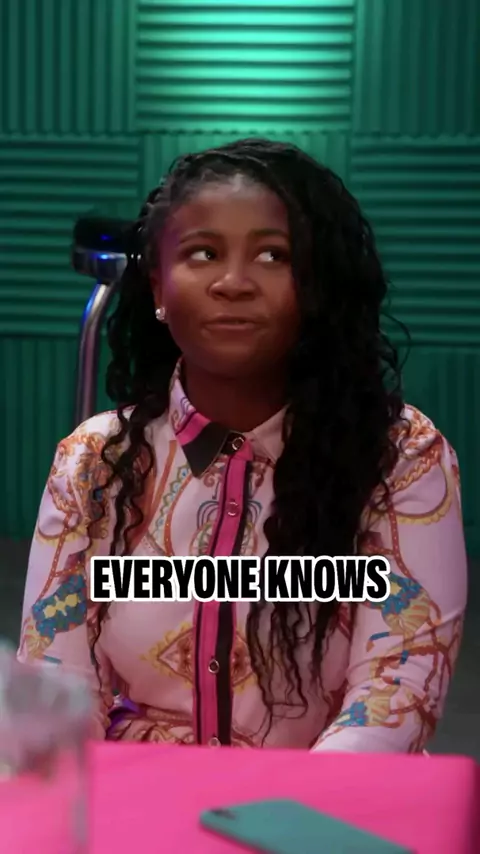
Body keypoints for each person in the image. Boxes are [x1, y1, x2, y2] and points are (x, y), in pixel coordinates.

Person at [18, 138, 467, 752]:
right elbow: (56, 686)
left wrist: (284, 809)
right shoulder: (93, 462)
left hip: (318, 801)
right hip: (129, 796)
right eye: (203, 253)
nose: (234, 282)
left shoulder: (400, 456)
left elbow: (396, 693)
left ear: (316, 285)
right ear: (158, 287)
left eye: (273, 255)